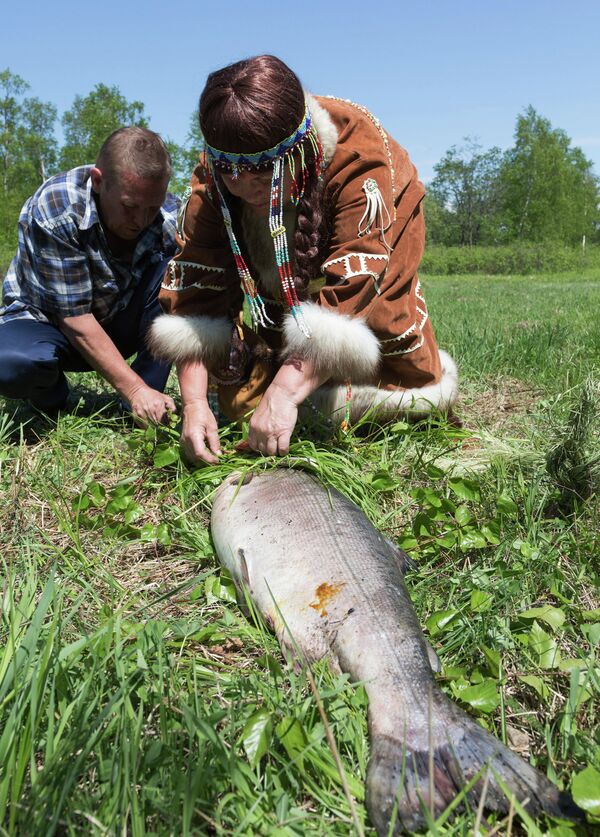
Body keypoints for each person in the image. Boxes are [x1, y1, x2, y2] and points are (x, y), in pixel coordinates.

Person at [149, 55, 458, 463]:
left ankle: (329, 386)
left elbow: (357, 282)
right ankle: (294, 380)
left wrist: (282, 394)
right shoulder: (220, 167)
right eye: (230, 171)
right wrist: (193, 403)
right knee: (239, 404)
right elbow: (195, 289)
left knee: (409, 395)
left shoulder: (359, 156)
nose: (241, 186)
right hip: (283, 301)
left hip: (377, 265)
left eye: (261, 172)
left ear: (298, 151)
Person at [0, 126, 179, 423]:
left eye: (152, 207)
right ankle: (53, 398)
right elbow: (74, 319)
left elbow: (189, 302)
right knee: (10, 365)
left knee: (177, 273)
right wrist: (132, 389)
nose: (141, 220)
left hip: (118, 323)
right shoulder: (57, 207)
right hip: (48, 326)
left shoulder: (169, 216)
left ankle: (147, 408)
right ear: (98, 181)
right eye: (130, 206)